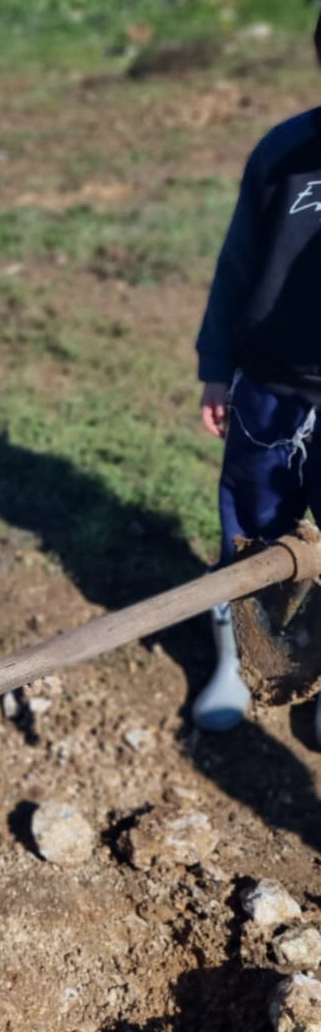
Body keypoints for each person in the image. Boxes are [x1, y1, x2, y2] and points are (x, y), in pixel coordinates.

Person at [193, 12, 321, 743]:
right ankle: (242, 662)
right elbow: (238, 265)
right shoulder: (287, 150)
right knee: (250, 536)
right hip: (267, 392)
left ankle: (320, 678)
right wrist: (218, 366)